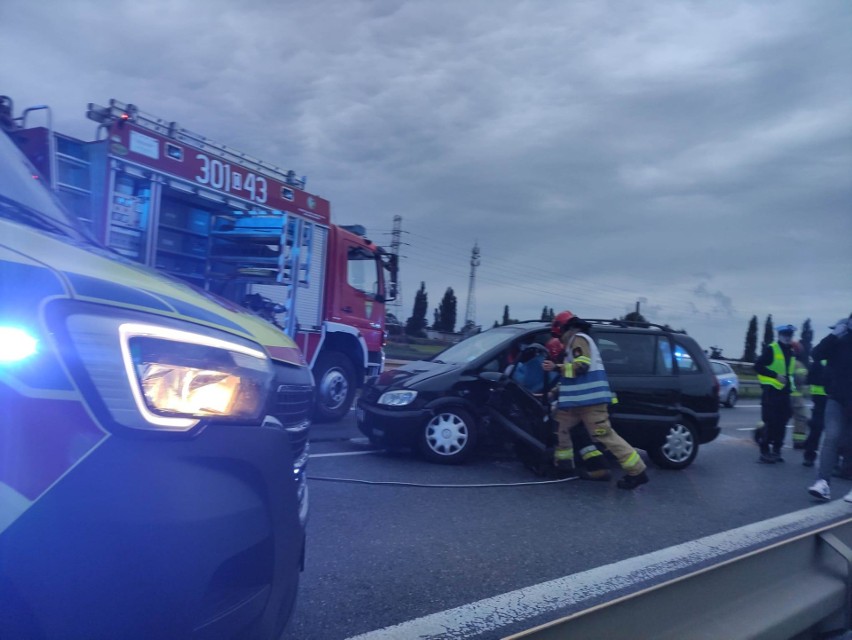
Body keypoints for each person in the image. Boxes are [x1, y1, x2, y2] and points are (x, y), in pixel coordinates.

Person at [544, 312, 649, 489]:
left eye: (558, 334)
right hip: (577, 403)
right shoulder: (572, 344)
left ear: (564, 328)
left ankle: (637, 472)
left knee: (605, 436)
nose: (559, 340)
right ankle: (564, 466)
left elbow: (581, 367)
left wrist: (556, 367)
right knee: (561, 426)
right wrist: (554, 392)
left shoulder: (578, 339)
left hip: (590, 403)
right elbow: (571, 378)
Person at [807, 315, 852, 501]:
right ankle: (823, 483)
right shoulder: (838, 341)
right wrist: (834, 334)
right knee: (831, 438)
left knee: (849, 443)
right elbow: (816, 354)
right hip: (836, 399)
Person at [754, 324, 797, 463]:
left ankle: (777, 450)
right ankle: (764, 451)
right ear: (779, 335)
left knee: (782, 424)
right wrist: (775, 376)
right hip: (771, 393)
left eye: (789, 334)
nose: (787, 337)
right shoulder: (772, 349)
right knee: (770, 423)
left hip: (785, 394)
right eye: (785, 334)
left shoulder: (791, 351)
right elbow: (758, 366)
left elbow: (789, 374)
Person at [802, 357, 828, 467]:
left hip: (821, 398)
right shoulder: (822, 362)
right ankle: (809, 454)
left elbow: (808, 379)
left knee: (817, 427)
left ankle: (809, 453)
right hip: (826, 398)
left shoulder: (819, 361)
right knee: (819, 427)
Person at [790, 341, 811, 450]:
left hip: (781, 395)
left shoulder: (782, 361)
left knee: (777, 418)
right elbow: (802, 379)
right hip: (796, 397)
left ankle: (765, 436)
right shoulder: (797, 364)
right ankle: (798, 441)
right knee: (801, 419)